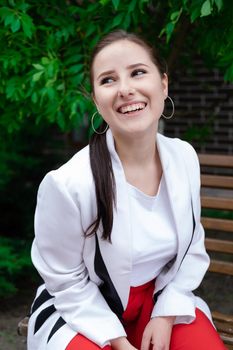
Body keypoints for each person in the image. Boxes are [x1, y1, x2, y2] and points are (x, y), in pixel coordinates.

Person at [27, 30, 226, 350]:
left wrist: (164, 315)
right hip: (83, 310)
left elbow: (192, 246)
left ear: (163, 84)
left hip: (159, 301)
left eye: (137, 72)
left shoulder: (184, 157)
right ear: (95, 99)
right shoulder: (69, 184)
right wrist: (118, 341)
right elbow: (64, 280)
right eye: (108, 80)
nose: (125, 89)